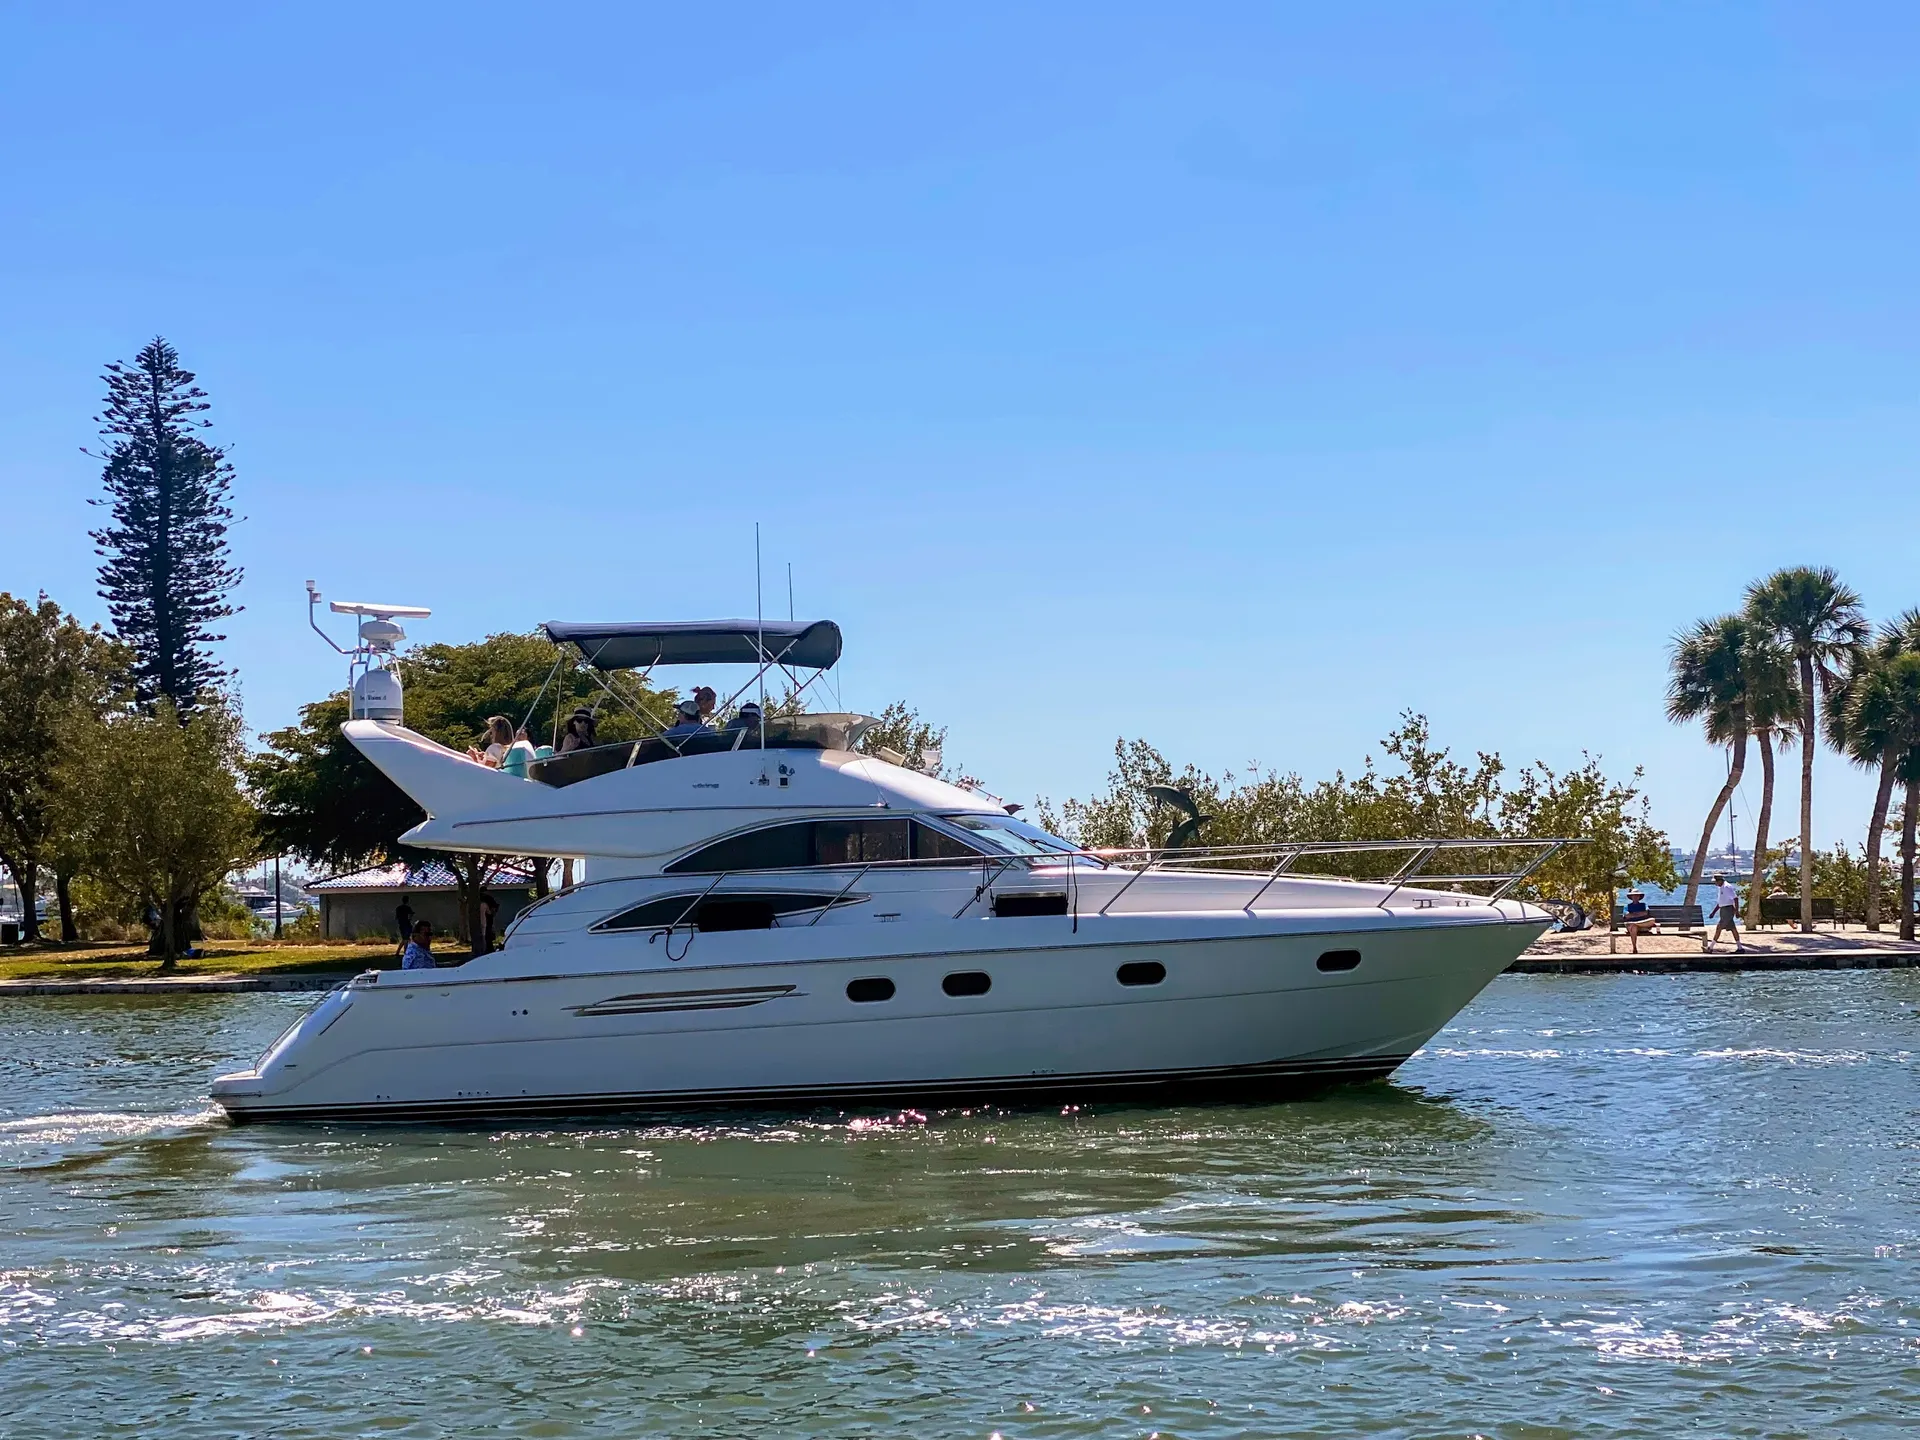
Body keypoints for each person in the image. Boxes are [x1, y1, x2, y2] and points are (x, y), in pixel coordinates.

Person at [1707, 873, 1744, 952]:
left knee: (1719, 927)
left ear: (1720, 881)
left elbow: (1735, 899)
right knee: (1733, 928)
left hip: (1728, 910)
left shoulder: (1727, 887)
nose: (1715, 883)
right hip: (1723, 910)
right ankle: (1740, 948)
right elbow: (1720, 903)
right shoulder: (1721, 888)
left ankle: (1710, 947)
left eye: (1716, 881)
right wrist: (1713, 912)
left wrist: (1737, 911)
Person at [1620, 888, 1657, 953]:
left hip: (1643, 925)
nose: (1635, 897)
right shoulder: (1627, 906)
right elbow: (1627, 915)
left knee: (1652, 920)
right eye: (1634, 895)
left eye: (1637, 895)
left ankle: (1636, 923)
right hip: (1631, 927)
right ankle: (1634, 948)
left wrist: (1633, 914)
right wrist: (1639, 914)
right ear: (1631, 897)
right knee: (1633, 927)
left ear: (1639, 897)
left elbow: (1645, 913)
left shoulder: (1644, 905)